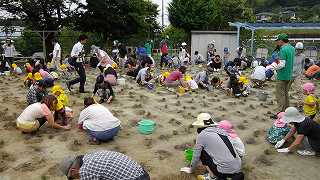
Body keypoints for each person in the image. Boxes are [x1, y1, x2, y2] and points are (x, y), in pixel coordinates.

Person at [180, 113, 244, 180]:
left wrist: (191, 169)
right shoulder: (222, 131)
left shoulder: (201, 136)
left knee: (202, 152)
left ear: (199, 126)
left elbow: (196, 156)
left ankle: (212, 177)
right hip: (238, 167)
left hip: (224, 172)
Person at [59, 150, 150, 180]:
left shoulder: (85, 171)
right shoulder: (90, 156)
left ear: (73, 171)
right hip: (142, 173)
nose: (77, 178)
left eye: (73, 177)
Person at [273, 34, 295, 112]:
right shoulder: (292, 48)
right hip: (289, 75)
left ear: (281, 40)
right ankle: (287, 111)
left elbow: (282, 64)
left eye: (277, 41)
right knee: (286, 95)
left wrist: (273, 68)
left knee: (280, 95)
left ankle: (280, 112)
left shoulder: (283, 49)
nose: (277, 42)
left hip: (282, 76)